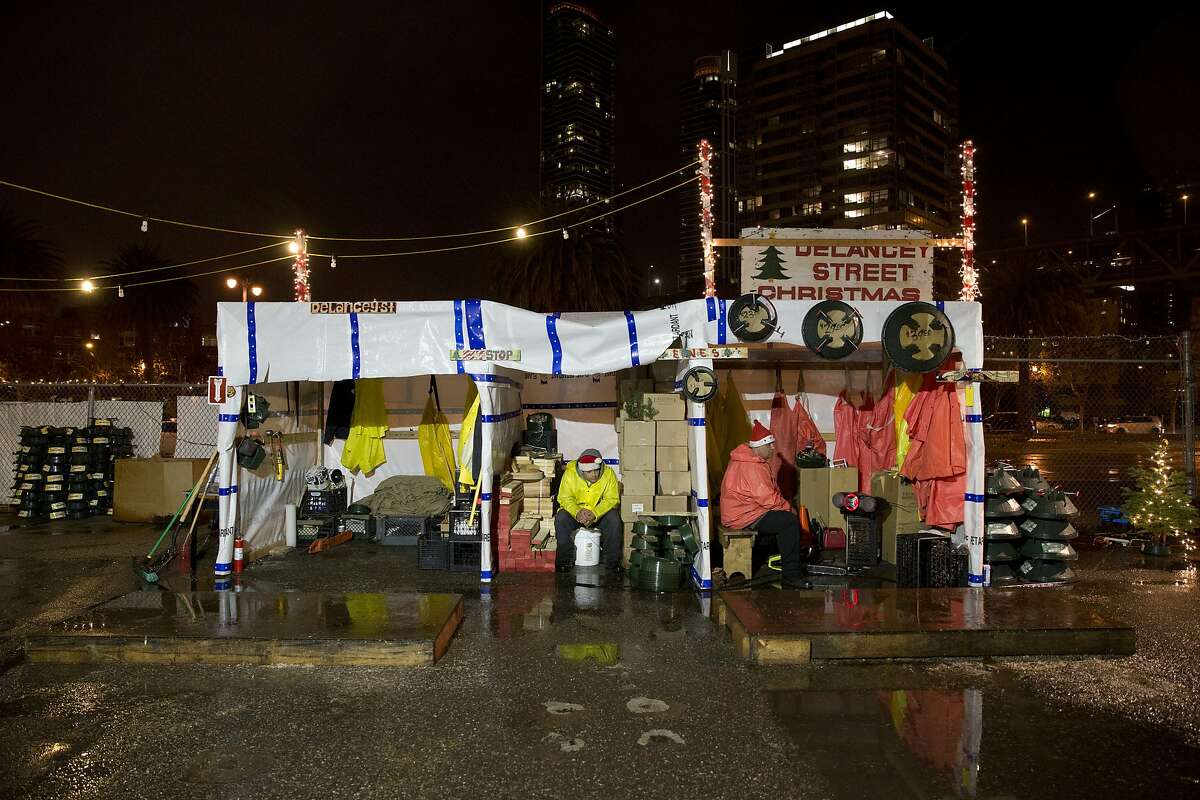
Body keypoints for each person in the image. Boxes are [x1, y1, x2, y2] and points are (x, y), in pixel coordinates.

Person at [720, 420, 812, 588]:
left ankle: (784, 562)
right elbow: (767, 498)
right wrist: (789, 508)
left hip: (740, 510)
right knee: (789, 522)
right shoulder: (752, 466)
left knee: (782, 518)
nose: (772, 448)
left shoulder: (747, 459)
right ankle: (791, 575)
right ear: (759, 446)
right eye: (769, 444)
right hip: (743, 515)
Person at [555, 449, 622, 573]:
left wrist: (595, 513)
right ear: (581, 470)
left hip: (598, 514)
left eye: (596, 470)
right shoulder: (570, 474)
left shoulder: (608, 474)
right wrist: (577, 512)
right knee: (561, 518)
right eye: (589, 472)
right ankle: (564, 561)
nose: (594, 475)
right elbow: (564, 498)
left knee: (614, 519)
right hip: (577, 513)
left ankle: (612, 562)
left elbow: (612, 499)